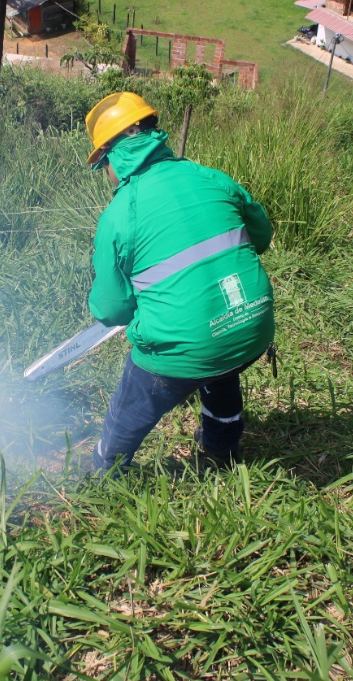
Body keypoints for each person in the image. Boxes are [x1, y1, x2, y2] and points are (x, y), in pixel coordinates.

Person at [84, 92, 275, 473]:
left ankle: (103, 471)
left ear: (112, 153)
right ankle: (222, 451)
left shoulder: (119, 215)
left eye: (102, 162)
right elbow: (263, 236)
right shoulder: (210, 177)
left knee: (135, 401)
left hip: (189, 347)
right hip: (252, 327)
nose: (106, 172)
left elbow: (111, 310)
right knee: (218, 364)